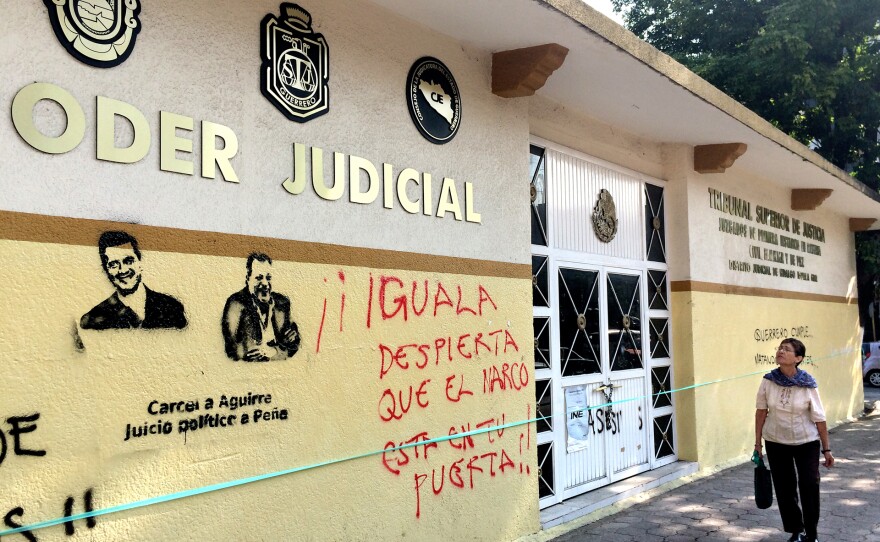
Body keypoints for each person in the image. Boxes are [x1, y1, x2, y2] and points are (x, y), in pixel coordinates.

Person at [755, 338, 834, 542]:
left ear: (798, 358)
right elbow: (761, 412)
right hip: (775, 441)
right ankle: (796, 530)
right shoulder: (768, 380)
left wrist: (827, 450)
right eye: (780, 348)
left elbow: (819, 418)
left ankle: (812, 534)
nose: (781, 351)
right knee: (784, 488)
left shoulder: (808, 384)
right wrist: (757, 444)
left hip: (806, 442)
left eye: (787, 349)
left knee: (809, 484)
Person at [80, 231, 187, 330]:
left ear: (140, 262)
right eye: (113, 264)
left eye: (128, 261)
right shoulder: (93, 320)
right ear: (105, 270)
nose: (123, 270)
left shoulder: (172, 308)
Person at [221, 253, 300, 361]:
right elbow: (232, 350)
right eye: (259, 278)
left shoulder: (281, 303)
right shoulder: (236, 304)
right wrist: (246, 355)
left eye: (268, 278)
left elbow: (292, 346)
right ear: (248, 279)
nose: (265, 284)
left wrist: (286, 344)